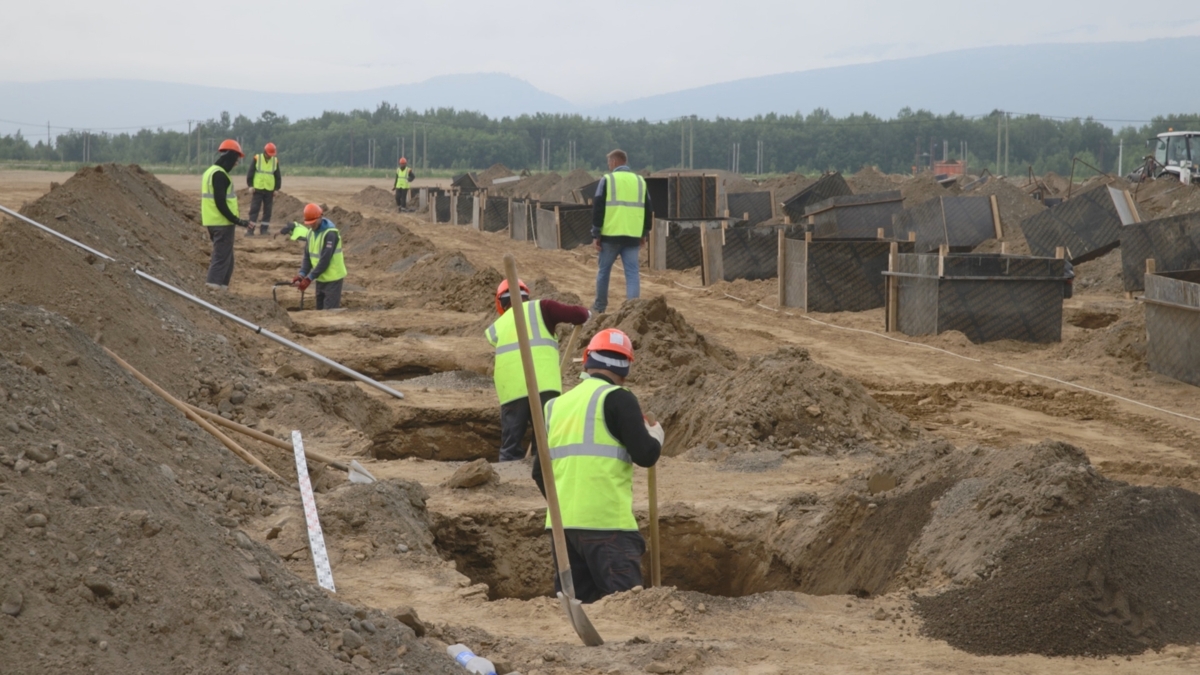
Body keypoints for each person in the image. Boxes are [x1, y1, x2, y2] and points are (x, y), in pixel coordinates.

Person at [532, 328, 664, 603]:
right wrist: (656, 437)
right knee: (625, 610)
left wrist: (566, 505)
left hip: (563, 528)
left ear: (586, 359)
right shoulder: (619, 398)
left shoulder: (555, 406)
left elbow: (538, 471)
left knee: (580, 610)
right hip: (608, 527)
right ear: (626, 367)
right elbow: (645, 455)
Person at [485, 279, 590, 462]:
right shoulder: (542, 308)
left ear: (500, 303)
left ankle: (508, 482)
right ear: (526, 295)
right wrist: (586, 313)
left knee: (510, 445)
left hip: (511, 390)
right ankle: (541, 478)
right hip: (544, 386)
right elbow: (578, 314)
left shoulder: (496, 327)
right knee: (544, 443)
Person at [591, 149, 653, 314]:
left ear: (614, 162)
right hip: (632, 236)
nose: (608, 167)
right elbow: (648, 209)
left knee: (604, 271)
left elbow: (598, 208)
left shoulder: (607, 180)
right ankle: (632, 312)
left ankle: (599, 308)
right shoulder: (640, 181)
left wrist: (596, 234)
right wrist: (644, 233)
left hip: (610, 236)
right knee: (632, 273)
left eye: (609, 163)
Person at [201, 139, 251, 290]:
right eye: (236, 159)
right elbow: (220, 203)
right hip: (221, 223)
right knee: (221, 259)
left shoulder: (210, 172)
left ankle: (222, 291)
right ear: (230, 156)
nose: (236, 163)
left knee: (228, 259)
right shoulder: (219, 175)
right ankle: (213, 291)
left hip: (214, 222)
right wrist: (238, 220)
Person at [291, 204, 347, 310]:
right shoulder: (310, 233)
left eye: (313, 222)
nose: (311, 225)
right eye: (309, 223)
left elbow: (325, 260)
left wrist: (309, 278)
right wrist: (302, 274)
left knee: (329, 313)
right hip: (320, 278)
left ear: (320, 217)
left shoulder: (330, 234)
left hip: (333, 279)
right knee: (320, 312)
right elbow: (308, 257)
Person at [246, 142, 282, 236]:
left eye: (272, 155)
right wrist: (250, 185)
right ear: (265, 152)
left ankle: (264, 230)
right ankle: (250, 231)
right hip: (257, 189)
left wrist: (277, 188)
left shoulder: (275, 160)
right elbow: (251, 172)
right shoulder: (257, 158)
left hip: (269, 190)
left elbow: (277, 175)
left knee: (268, 211)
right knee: (254, 210)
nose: (270, 156)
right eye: (269, 154)